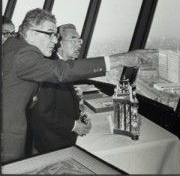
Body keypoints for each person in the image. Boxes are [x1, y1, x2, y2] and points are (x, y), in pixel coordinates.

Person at [2, 8, 156, 163]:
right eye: (50, 33)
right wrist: (121, 59)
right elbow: (61, 72)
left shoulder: (13, 45)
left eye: (55, 35)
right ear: (31, 34)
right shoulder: (23, 55)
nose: (55, 41)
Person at [31, 24, 92, 154]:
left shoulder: (63, 65)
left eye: (79, 41)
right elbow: (44, 112)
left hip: (61, 135)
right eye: (73, 40)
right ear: (59, 43)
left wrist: (80, 115)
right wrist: (74, 126)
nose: (79, 45)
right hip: (53, 143)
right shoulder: (50, 69)